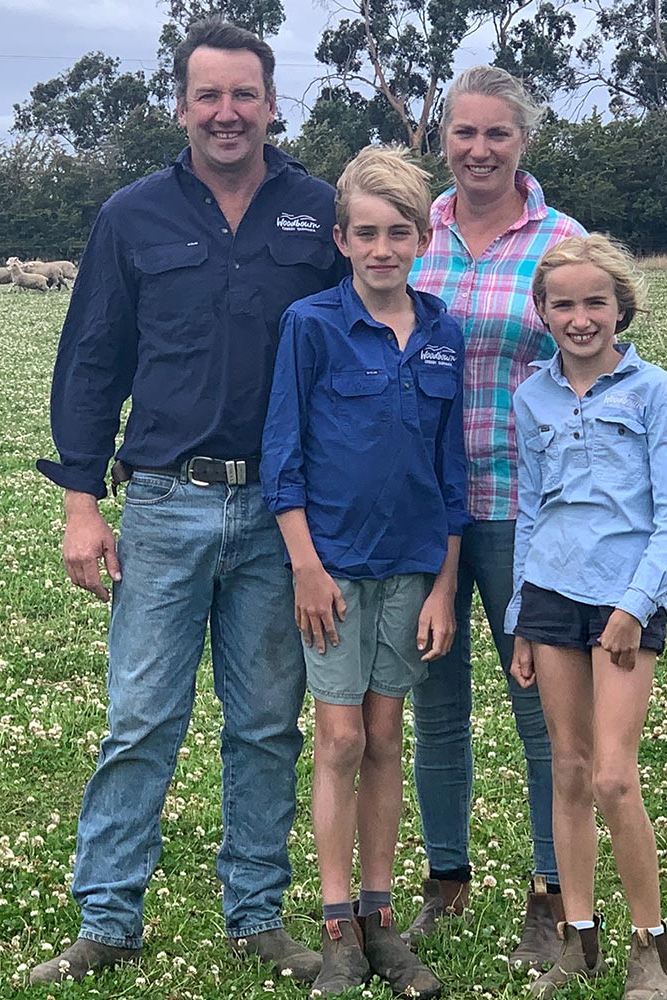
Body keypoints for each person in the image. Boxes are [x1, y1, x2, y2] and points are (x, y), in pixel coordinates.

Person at [29, 16, 345, 986]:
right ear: (180, 106)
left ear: (272, 102)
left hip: (279, 515)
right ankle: (107, 918)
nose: (226, 112)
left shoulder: (318, 211)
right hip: (163, 504)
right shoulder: (131, 215)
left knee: (264, 725)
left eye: (243, 94)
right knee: (140, 720)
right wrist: (84, 506)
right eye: (208, 95)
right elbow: (90, 363)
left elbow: (357, 341)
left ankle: (256, 916)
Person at [262, 146, 465, 999]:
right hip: (333, 573)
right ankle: (337, 923)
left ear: (423, 237)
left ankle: (383, 924)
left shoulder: (443, 332)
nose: (383, 248)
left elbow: (453, 474)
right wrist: (306, 564)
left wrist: (447, 586)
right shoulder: (310, 325)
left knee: (388, 739)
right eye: (366, 233)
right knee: (340, 741)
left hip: (413, 572)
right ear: (341, 238)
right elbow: (284, 456)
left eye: (400, 233)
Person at [403, 64, 586, 969]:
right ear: (444, 137)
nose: (478, 150)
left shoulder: (560, 242)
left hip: (526, 508)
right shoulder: (413, 230)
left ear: (524, 142)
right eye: (463, 133)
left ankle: (553, 898)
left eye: (497, 134)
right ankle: (446, 880)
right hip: (423, 512)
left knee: (543, 711)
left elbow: (591, 379)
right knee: (434, 702)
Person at [504, 234, 667, 1000]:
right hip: (551, 595)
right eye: (564, 305)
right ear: (543, 314)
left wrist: (635, 604)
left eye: (595, 303)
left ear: (622, 308)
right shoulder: (532, 397)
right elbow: (528, 509)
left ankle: (650, 947)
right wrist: (521, 612)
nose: (581, 318)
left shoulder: (657, 395)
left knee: (617, 778)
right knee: (569, 771)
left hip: (624, 600)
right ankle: (575, 938)